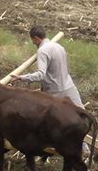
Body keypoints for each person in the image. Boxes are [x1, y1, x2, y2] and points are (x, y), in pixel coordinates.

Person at [10, 25, 89, 156]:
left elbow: (41, 74)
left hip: (54, 92)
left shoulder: (42, 51)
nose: (33, 43)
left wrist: (22, 77)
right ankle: (84, 146)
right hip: (69, 86)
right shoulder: (59, 47)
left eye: (32, 40)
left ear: (35, 38)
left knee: (48, 121)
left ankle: (47, 146)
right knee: (82, 117)